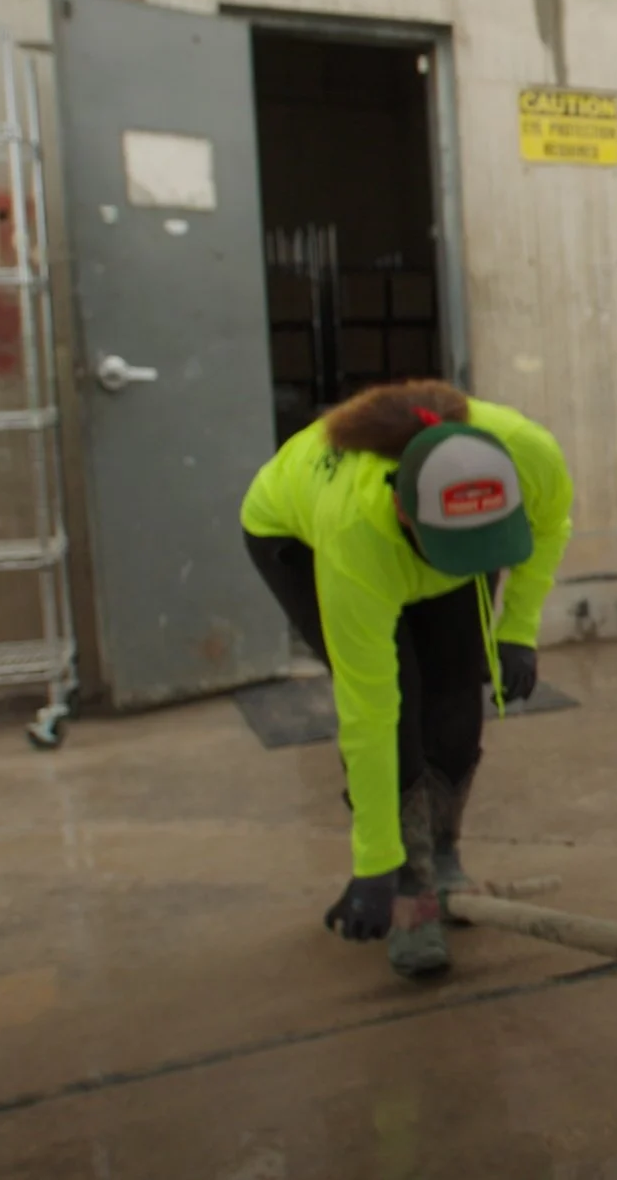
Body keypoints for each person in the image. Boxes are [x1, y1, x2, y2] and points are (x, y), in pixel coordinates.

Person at [240, 380, 572, 977]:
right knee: (401, 711)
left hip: (435, 535)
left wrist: (516, 630)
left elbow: (548, 528)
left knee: (456, 699)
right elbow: (369, 711)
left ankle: (441, 852)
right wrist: (374, 864)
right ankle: (409, 886)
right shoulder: (353, 532)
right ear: (403, 510)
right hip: (298, 537)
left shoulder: (527, 453)